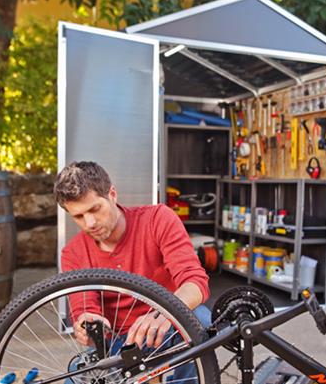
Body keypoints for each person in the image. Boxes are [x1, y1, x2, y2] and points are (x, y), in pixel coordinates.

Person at [55, 161, 211, 383]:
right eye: (78, 216)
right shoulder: (73, 253)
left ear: (112, 194)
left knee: (201, 321)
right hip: (120, 342)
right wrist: (86, 323)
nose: (89, 223)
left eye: (94, 209)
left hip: (168, 327)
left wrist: (164, 312)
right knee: (74, 376)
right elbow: (84, 306)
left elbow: (194, 281)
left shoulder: (157, 219)